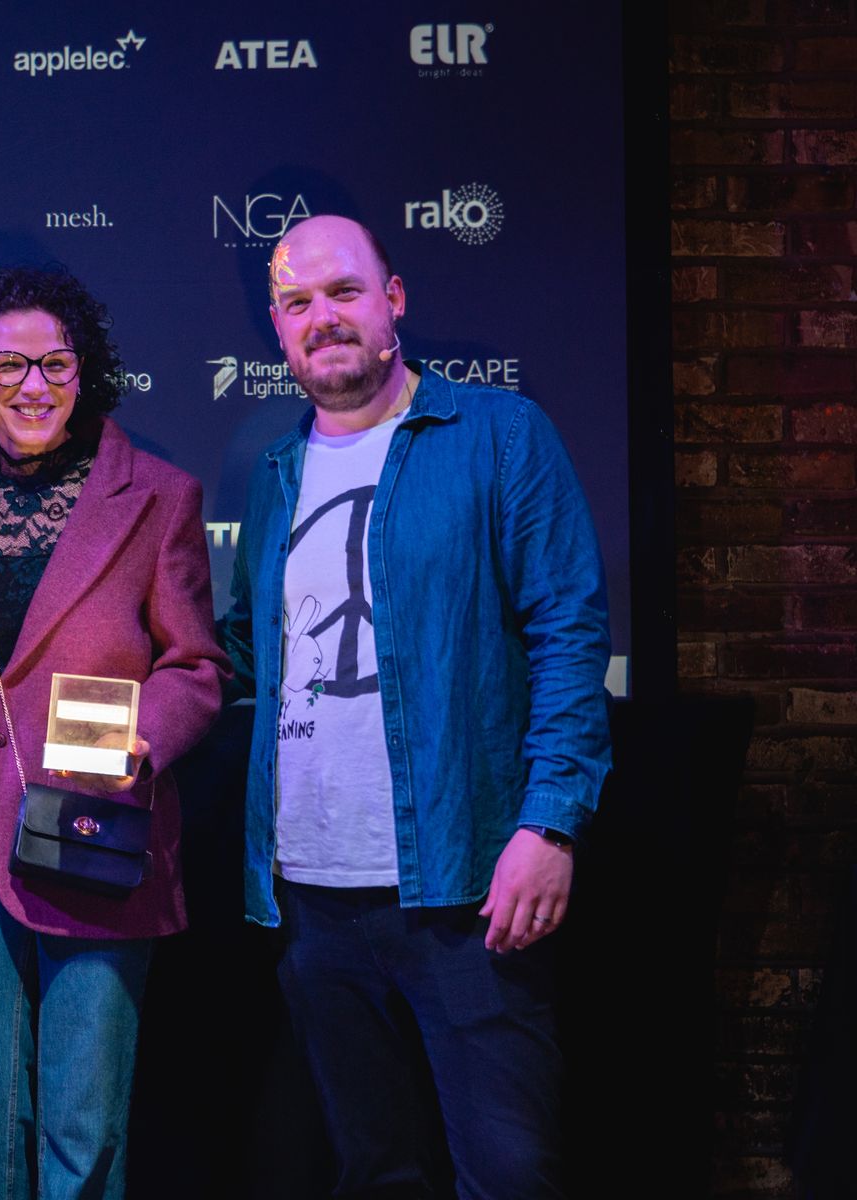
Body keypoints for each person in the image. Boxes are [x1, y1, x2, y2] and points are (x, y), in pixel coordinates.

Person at [220, 214, 612, 1198]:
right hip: (310, 897)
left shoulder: (496, 435)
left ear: (391, 300)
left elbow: (568, 636)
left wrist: (549, 825)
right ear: (276, 327)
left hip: (461, 888)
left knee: (508, 1173)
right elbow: (242, 651)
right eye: (297, 303)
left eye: (343, 292)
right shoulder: (272, 476)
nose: (323, 318)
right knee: (372, 1171)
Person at [0, 265, 227, 1200]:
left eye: (54, 364)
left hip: (95, 807)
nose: (33, 387)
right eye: (9, 367)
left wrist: (142, 743)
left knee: (82, 1120)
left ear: (83, 373)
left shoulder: (155, 495)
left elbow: (197, 666)